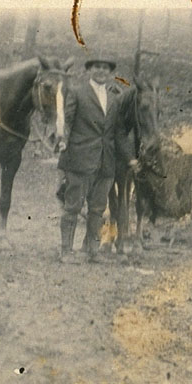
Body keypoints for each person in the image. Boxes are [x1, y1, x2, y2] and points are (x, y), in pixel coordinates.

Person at [55, 57, 136, 263]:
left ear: (110, 73)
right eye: (97, 67)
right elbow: (68, 122)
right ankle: (66, 251)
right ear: (90, 70)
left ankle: (92, 250)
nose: (101, 71)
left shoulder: (113, 99)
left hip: (105, 162)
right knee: (73, 206)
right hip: (80, 159)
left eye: (106, 68)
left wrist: (130, 158)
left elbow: (118, 133)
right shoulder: (77, 93)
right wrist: (62, 142)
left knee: (98, 209)